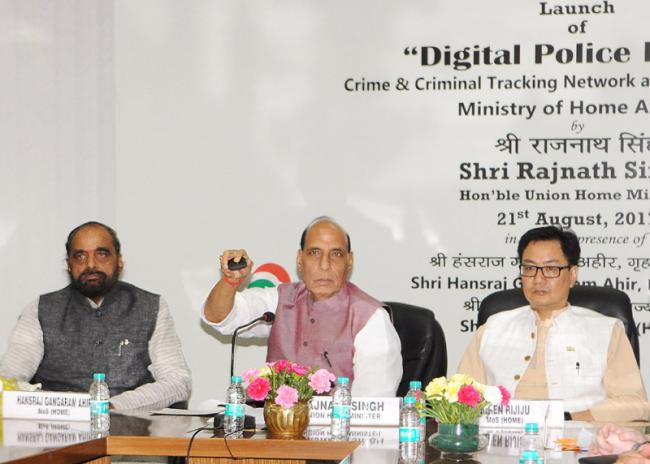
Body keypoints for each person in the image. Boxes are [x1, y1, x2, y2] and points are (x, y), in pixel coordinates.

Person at [458, 226, 649, 421]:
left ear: (572, 274)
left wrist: (572, 418)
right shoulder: (491, 329)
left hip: (579, 437)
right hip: (501, 436)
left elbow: (636, 403)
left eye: (551, 269)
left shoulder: (606, 331)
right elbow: (460, 399)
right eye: (529, 268)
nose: (538, 279)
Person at [0, 221, 191, 410]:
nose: (91, 264)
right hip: (58, 424)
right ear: (69, 265)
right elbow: (9, 377)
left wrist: (112, 406)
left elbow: (177, 381)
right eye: (80, 256)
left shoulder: (151, 307)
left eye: (102, 254)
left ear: (119, 261)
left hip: (131, 424)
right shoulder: (40, 310)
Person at [202, 216, 402, 396]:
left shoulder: (371, 319)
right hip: (278, 424)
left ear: (349, 262)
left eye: (336, 254)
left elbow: (373, 407)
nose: (324, 265)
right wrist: (229, 282)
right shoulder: (281, 300)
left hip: (340, 426)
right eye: (314, 253)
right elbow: (220, 318)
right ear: (299, 260)